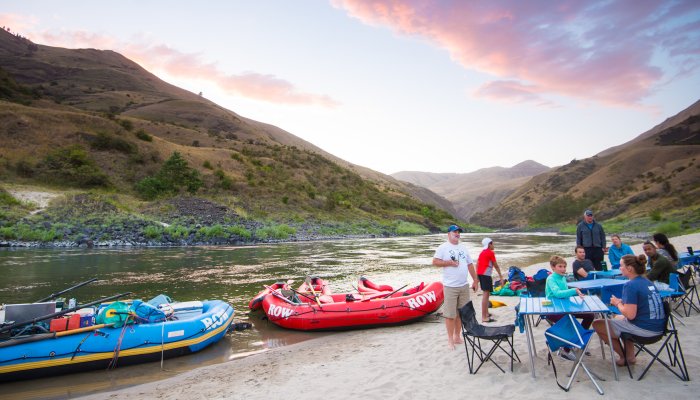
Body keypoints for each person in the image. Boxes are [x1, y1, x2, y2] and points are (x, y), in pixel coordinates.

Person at [593, 254, 665, 366]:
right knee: (618, 317)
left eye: (621, 265)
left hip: (646, 331)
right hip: (659, 328)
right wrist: (623, 303)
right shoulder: (647, 282)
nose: (619, 268)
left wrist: (617, 304)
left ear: (629, 268)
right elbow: (642, 303)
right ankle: (630, 356)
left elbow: (630, 315)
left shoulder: (630, 285)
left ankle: (624, 356)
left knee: (598, 324)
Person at [432, 224, 477, 350]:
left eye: (458, 232)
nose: (457, 234)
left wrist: (475, 280)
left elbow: (469, 264)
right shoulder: (443, 247)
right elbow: (435, 262)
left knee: (462, 313)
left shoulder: (463, 248)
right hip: (450, 286)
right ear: (449, 234)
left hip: (464, 286)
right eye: (454, 232)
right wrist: (449, 263)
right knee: (450, 314)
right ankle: (450, 340)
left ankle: (457, 336)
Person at [545, 256, 594, 361]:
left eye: (564, 267)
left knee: (590, 315)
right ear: (553, 267)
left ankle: (578, 341)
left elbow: (565, 293)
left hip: (565, 307)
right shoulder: (551, 279)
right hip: (554, 310)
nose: (563, 269)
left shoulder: (562, 277)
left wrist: (577, 294)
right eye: (560, 266)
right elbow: (557, 294)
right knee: (571, 321)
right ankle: (566, 349)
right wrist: (574, 291)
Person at [476, 238, 503, 323]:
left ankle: (486, 313)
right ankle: (484, 317)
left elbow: (477, 264)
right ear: (489, 244)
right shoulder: (490, 252)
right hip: (486, 275)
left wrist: (477, 278)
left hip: (481, 274)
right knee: (486, 294)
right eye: (492, 243)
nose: (493, 245)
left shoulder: (482, 253)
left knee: (487, 294)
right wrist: (501, 277)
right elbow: (496, 265)